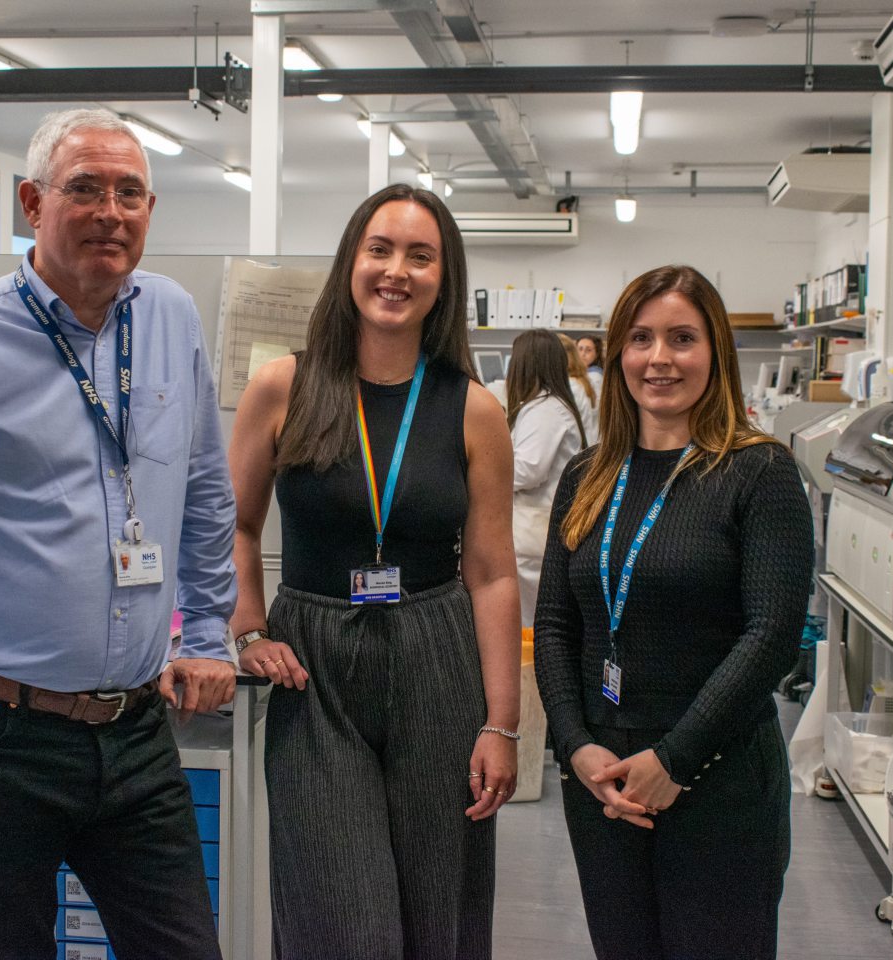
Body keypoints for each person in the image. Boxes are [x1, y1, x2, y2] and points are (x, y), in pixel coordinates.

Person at [0, 108, 237, 960]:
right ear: (32, 202)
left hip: (136, 733)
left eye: (130, 192)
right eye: (85, 189)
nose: (111, 212)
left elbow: (207, 495)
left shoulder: (169, 317)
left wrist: (210, 633)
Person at [227, 183, 522, 960]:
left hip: (436, 652)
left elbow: (492, 572)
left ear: (443, 279)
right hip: (312, 664)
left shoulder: (473, 409)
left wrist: (502, 723)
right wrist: (247, 628)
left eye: (420, 256)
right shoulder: (282, 386)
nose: (397, 271)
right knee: (346, 928)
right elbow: (234, 523)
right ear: (350, 265)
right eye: (380, 250)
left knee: (438, 916)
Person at [533, 264, 813, 960]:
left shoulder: (759, 472)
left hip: (715, 779)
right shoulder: (588, 475)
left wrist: (675, 759)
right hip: (603, 779)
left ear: (716, 351)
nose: (659, 358)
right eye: (641, 338)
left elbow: (771, 635)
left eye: (682, 338)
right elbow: (557, 624)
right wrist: (575, 746)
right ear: (618, 352)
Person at [505, 329, 586, 627]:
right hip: (535, 533)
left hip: (534, 537)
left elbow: (528, 469)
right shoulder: (545, 406)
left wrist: (483, 469)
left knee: (531, 625)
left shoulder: (545, 410)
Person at [558, 333, 599, 442]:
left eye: (588, 350)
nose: (583, 354)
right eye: (580, 349)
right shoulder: (581, 380)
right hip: (587, 445)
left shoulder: (572, 385)